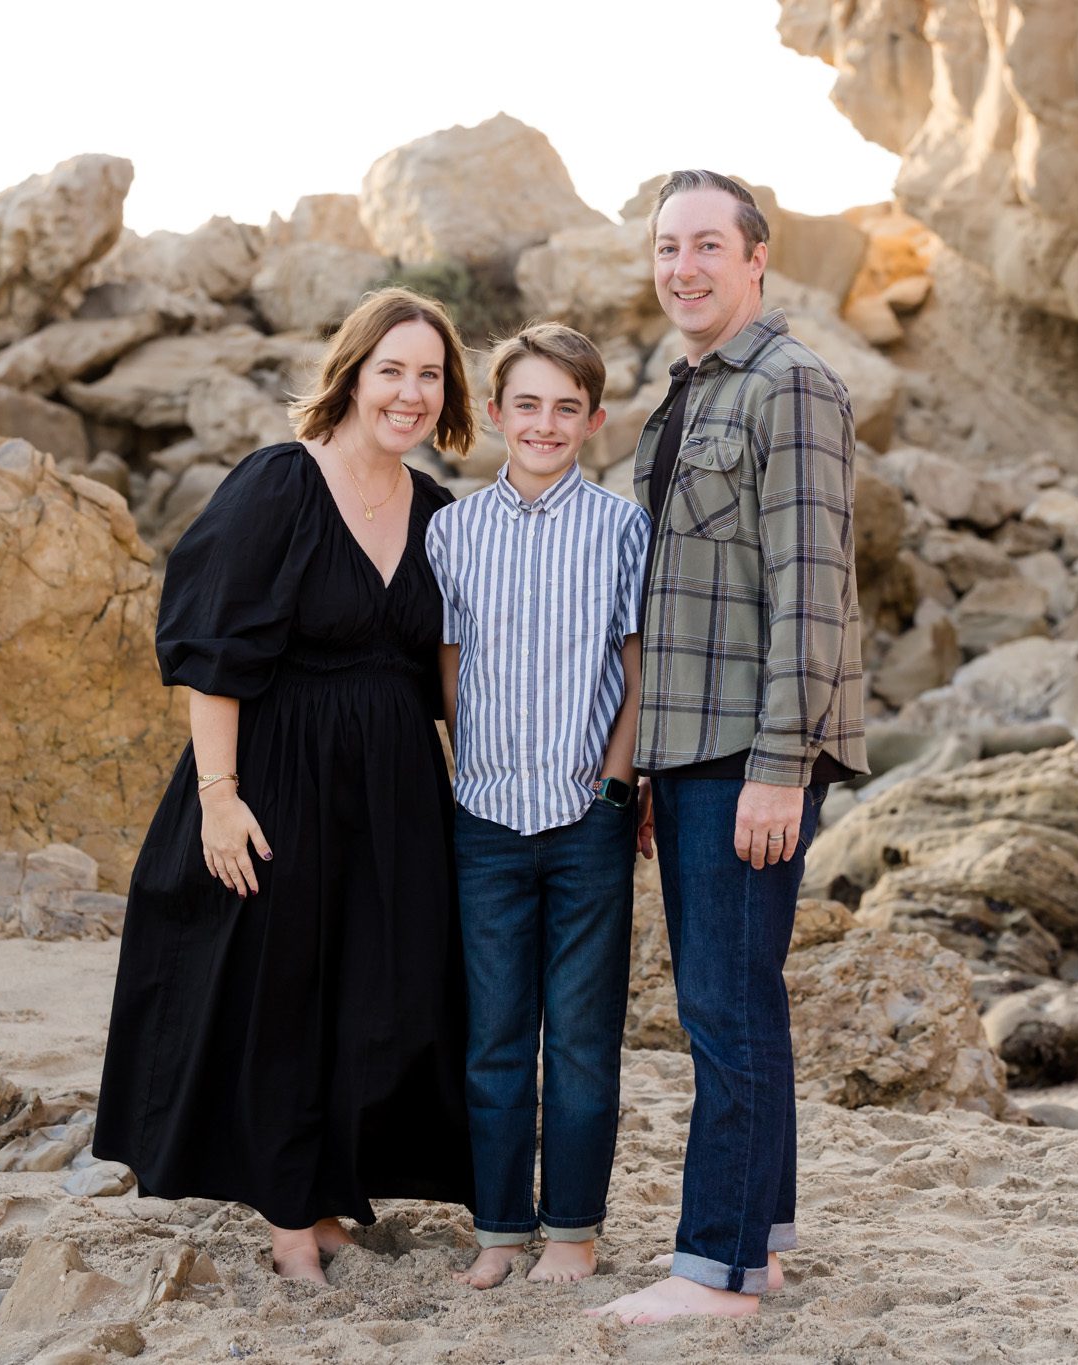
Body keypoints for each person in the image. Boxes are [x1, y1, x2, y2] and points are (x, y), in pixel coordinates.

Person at [94, 287, 478, 1284]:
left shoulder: (438, 514)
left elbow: (450, 678)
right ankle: (286, 1214)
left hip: (392, 792)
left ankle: (330, 1192)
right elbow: (213, 651)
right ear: (350, 376)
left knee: (373, 994)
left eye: (427, 375)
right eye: (389, 370)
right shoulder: (278, 485)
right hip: (277, 777)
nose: (407, 391)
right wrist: (218, 797)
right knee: (281, 993)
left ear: (446, 396)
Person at [589, 171, 868, 1325]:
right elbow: (678, 598)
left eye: (707, 245)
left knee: (721, 1007)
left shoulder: (791, 386)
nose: (682, 267)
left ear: (757, 260)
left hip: (749, 753)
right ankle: (765, 1242)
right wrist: (651, 758)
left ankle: (718, 1269)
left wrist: (776, 767)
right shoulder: (685, 395)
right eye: (666, 247)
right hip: (691, 749)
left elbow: (813, 593)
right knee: (739, 998)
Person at [425, 323, 652, 1291]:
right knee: (492, 1040)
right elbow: (447, 668)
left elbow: (638, 673)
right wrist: (462, 769)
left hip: (584, 815)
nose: (545, 423)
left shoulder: (617, 527)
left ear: (593, 420)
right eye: (526, 404)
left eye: (566, 407)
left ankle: (572, 1233)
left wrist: (613, 784)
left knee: (585, 1039)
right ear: (495, 415)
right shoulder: (450, 532)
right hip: (482, 816)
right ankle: (500, 1231)